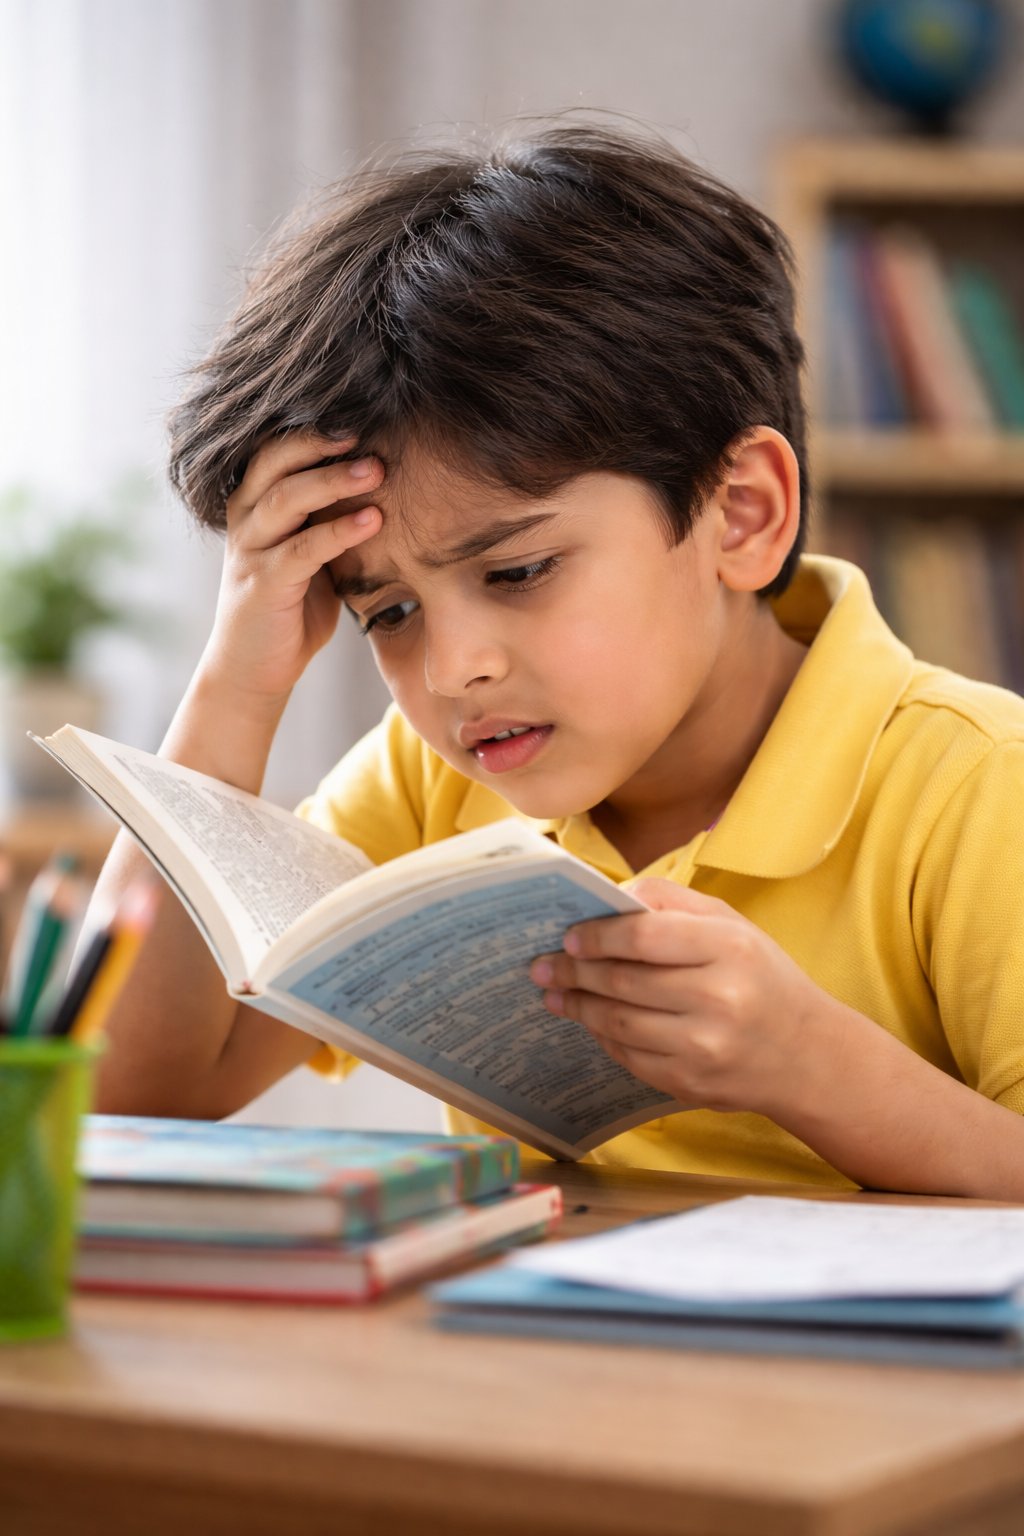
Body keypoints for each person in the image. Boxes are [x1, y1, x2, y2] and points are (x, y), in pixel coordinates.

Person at [92, 123, 1024, 1198]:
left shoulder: (976, 785)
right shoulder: (431, 777)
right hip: (545, 1358)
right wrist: (237, 680)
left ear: (741, 516)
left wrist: (810, 1065)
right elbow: (129, 1106)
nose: (452, 673)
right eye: (386, 611)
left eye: (519, 572)